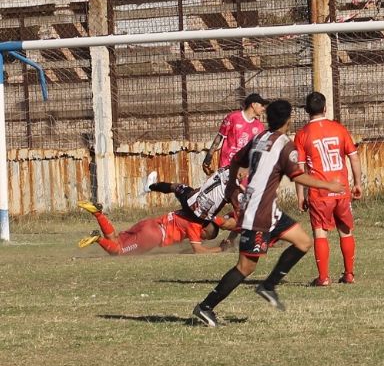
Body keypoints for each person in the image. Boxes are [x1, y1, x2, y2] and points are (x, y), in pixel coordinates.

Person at [192, 99, 345, 327]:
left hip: (267, 208)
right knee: (245, 267)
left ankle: (269, 285)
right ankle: (205, 307)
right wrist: (328, 186)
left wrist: (233, 184)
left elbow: (235, 159)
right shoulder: (285, 145)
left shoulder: (259, 137)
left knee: (303, 242)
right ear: (288, 121)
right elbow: (298, 176)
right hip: (258, 212)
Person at [294, 91, 363, 286]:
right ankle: (349, 274)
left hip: (319, 192)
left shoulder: (302, 135)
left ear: (307, 111)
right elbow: (354, 157)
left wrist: (300, 195)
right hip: (341, 189)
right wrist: (357, 183)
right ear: (325, 108)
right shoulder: (339, 129)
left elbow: (299, 169)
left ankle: (323, 278)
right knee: (345, 230)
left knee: (319, 232)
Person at [77, 201, 226, 255]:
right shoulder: (196, 225)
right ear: (204, 230)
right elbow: (198, 251)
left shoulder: (191, 212)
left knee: (116, 239)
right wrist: (220, 249)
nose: (200, 239)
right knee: (119, 251)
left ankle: (98, 213)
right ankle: (97, 238)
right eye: (203, 237)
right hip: (153, 236)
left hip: (149, 223)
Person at [148, 166, 242, 249]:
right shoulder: (235, 189)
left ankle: (150, 186)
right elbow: (231, 223)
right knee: (234, 222)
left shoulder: (229, 170)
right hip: (197, 211)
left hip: (191, 201)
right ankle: (150, 186)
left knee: (176, 187)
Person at [202, 93, 268, 175]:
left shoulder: (260, 126)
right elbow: (219, 138)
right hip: (227, 166)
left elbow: (261, 149)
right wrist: (208, 158)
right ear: (253, 105)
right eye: (261, 105)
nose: (263, 108)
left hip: (244, 170)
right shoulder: (233, 117)